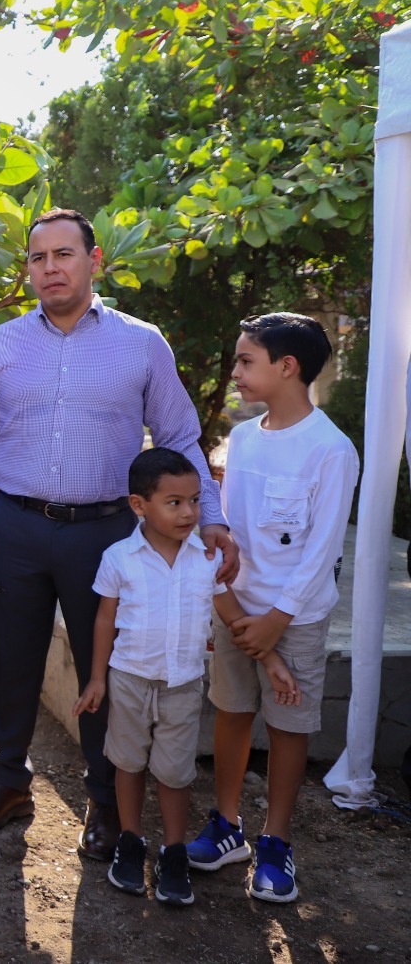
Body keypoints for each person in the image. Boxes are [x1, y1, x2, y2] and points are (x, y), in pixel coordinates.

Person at [0, 207, 239, 861]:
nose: (49, 268)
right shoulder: (1, 345)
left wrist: (212, 517)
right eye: (38, 258)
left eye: (64, 254)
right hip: (16, 526)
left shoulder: (141, 343)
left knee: (102, 668)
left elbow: (178, 437)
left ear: (94, 260)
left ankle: (106, 801)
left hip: (106, 535)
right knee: (14, 664)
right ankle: (8, 783)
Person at [73, 448, 299, 906]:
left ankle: (173, 853)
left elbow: (232, 615)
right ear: (139, 505)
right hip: (129, 680)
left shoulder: (206, 560)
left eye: (195, 501)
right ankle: (130, 843)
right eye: (174, 502)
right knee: (128, 764)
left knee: (175, 773)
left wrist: (271, 660)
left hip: (182, 687)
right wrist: (97, 679)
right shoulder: (119, 558)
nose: (188, 513)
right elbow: (104, 620)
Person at [185, 312, 358, 903]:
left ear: (287, 367)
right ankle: (227, 826)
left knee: (288, 728)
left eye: (245, 361)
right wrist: (231, 611)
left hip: (296, 618)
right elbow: (226, 531)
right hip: (237, 609)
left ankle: (276, 841)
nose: (234, 372)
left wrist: (277, 621)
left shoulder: (331, 450)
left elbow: (322, 550)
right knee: (231, 712)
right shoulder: (245, 438)